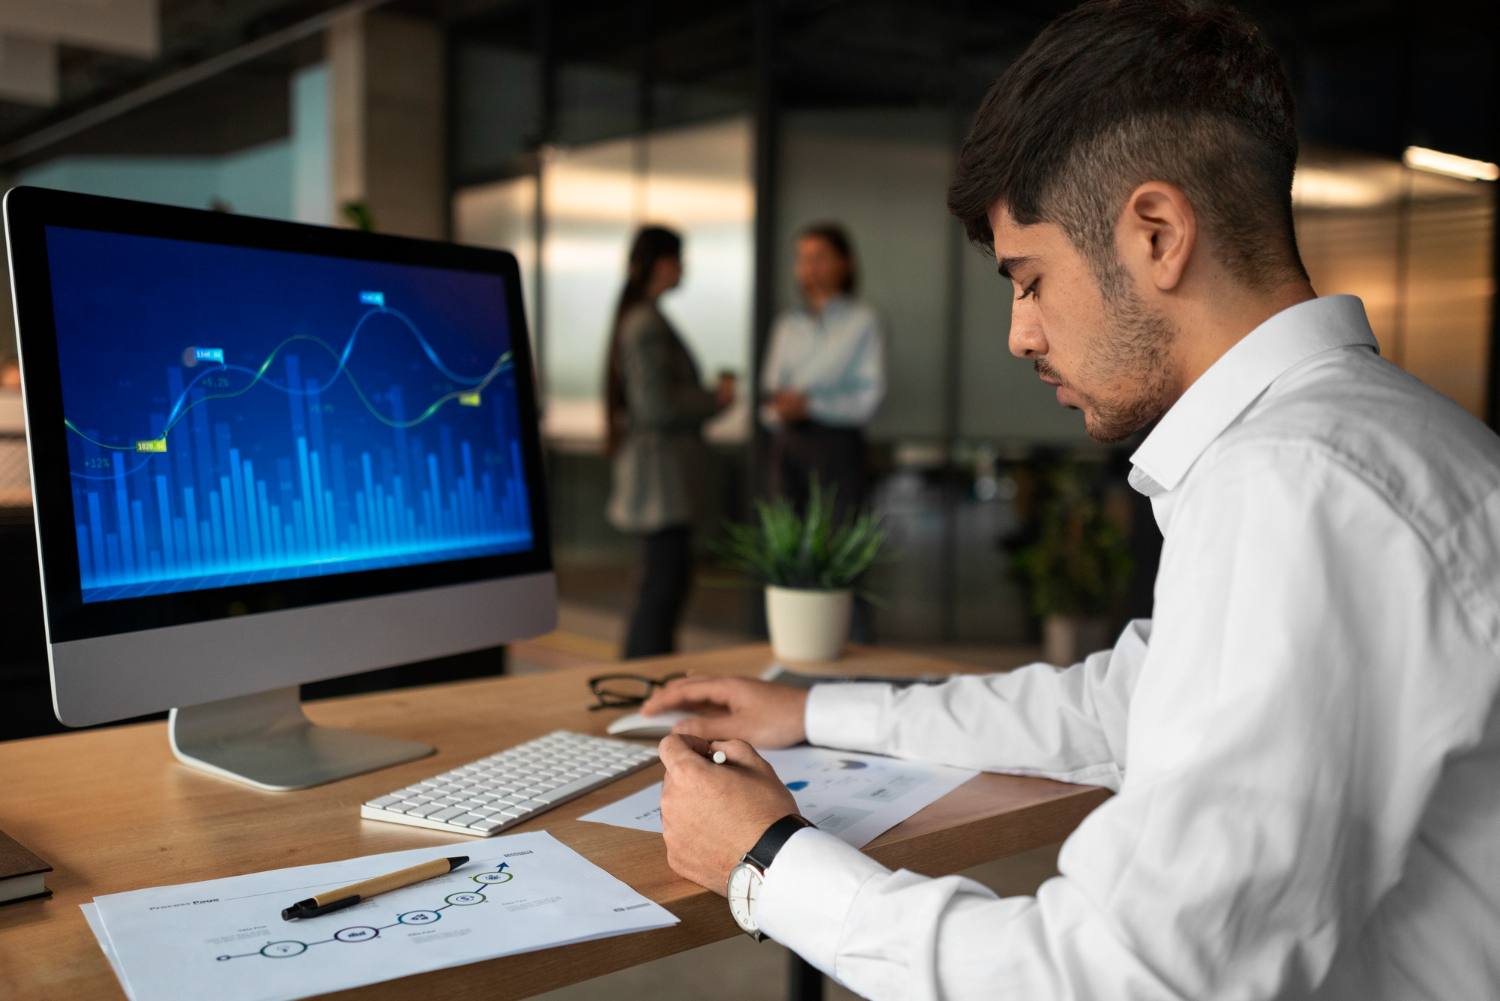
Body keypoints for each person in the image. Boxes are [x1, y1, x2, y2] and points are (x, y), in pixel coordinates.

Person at [640, 3, 1500, 999]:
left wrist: (768, 859)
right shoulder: (1382, 435)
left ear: (1158, 232)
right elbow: (1111, 707)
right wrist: (812, 708)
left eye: (1031, 278)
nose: (1020, 333)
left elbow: (1124, 978)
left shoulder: (1293, 490)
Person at [605, 226, 734, 659]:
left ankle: (649, 688)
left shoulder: (641, 315)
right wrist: (712, 400)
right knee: (659, 591)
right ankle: (644, 690)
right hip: (661, 481)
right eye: (680, 259)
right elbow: (655, 405)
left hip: (663, 478)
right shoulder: (646, 322)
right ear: (664, 264)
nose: (685, 268)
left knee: (661, 588)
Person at [761, 223, 885, 523]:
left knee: (836, 542)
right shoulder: (788, 325)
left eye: (819, 257)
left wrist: (812, 405)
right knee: (786, 544)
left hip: (836, 446)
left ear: (845, 263)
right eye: (802, 258)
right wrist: (780, 408)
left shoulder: (862, 322)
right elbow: (769, 390)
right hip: (789, 444)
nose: (810, 267)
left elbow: (868, 397)